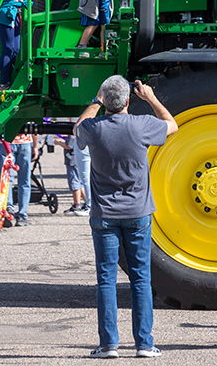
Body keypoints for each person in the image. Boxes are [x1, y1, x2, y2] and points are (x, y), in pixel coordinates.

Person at [75, 76, 178, 359]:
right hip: (138, 213)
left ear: (105, 101)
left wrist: (96, 101)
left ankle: (109, 345)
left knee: (106, 281)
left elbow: (77, 128)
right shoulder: (141, 126)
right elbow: (173, 125)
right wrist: (152, 99)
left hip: (104, 215)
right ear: (129, 101)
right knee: (141, 280)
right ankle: (144, 344)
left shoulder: (93, 130)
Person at [10, 131, 35, 227]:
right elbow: (34, 125)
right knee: (24, 180)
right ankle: (22, 214)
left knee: (7, 179)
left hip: (7, 141)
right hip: (24, 141)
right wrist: (35, 146)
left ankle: (8, 208)